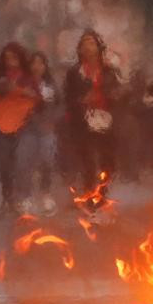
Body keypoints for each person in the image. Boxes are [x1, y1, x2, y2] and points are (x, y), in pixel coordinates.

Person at [63, 29, 123, 194]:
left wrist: (112, 96)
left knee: (107, 161)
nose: (88, 47)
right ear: (80, 49)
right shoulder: (75, 73)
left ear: (98, 46)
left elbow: (120, 93)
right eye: (84, 43)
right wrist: (82, 101)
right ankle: (91, 196)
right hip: (83, 122)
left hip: (106, 121)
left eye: (91, 42)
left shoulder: (109, 71)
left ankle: (102, 194)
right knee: (88, 160)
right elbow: (67, 98)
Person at [0, 43, 35, 217]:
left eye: (13, 57)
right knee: (5, 166)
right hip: (0, 125)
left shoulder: (29, 77)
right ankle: (7, 198)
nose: (10, 61)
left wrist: (23, 92)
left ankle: (21, 198)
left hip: (23, 126)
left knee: (21, 163)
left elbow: (40, 99)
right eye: (7, 58)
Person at [22, 51, 60, 215]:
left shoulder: (51, 86)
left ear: (45, 66)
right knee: (25, 163)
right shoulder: (20, 84)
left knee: (47, 162)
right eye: (33, 63)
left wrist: (52, 121)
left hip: (46, 130)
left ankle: (46, 195)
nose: (37, 67)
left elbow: (60, 105)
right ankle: (25, 196)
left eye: (40, 63)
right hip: (26, 130)